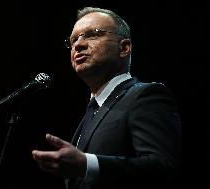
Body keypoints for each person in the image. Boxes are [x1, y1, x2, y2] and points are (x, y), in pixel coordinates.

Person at [32, 7, 181, 189]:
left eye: (93, 34)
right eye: (73, 40)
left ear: (124, 48)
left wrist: (89, 164)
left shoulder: (145, 96)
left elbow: (163, 168)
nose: (78, 44)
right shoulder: (91, 111)